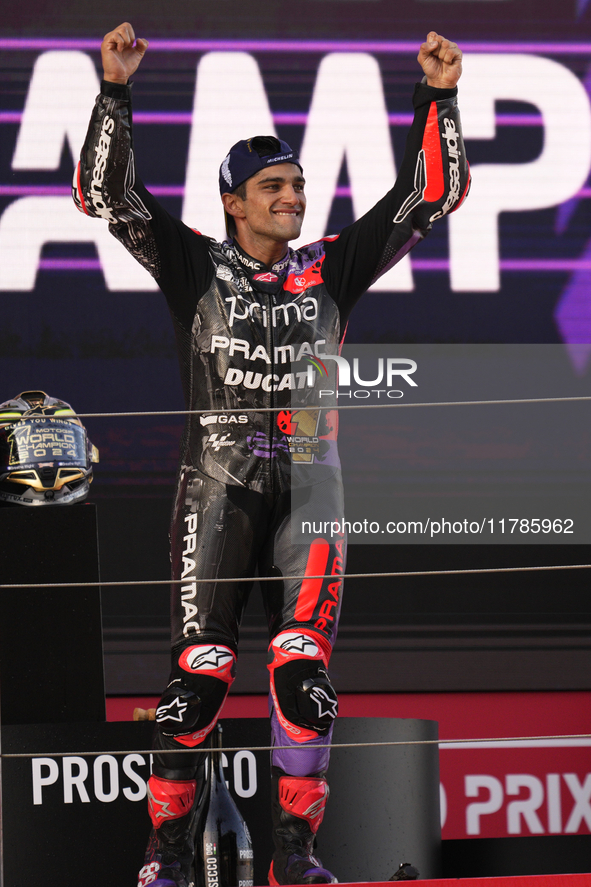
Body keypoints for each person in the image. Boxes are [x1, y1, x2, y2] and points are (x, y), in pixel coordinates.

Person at [75, 23, 469, 887]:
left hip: (311, 494)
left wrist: (436, 98)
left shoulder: (330, 267)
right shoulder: (192, 265)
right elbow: (106, 198)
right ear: (233, 202)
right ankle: (166, 851)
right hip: (215, 492)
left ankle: (297, 853)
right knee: (198, 681)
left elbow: (429, 199)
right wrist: (115, 91)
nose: (293, 196)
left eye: (296, 183)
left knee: (304, 681)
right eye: (273, 186)